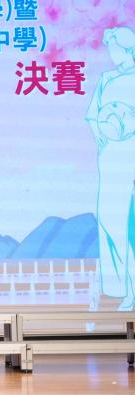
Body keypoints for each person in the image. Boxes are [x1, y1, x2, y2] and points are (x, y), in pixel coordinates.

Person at [85, 27, 135, 311]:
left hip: (131, 150)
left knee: (131, 224)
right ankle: (123, 289)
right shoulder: (106, 79)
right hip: (111, 155)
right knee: (110, 220)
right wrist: (102, 136)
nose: (111, 53)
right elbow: (93, 116)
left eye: (115, 48)